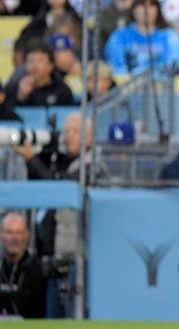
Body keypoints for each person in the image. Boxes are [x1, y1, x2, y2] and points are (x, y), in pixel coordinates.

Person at [14, 112, 104, 257]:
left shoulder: (92, 166)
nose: (69, 135)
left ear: (89, 137)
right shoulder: (60, 160)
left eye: (76, 131)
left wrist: (32, 159)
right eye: (66, 131)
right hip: (47, 243)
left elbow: (61, 188)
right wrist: (39, 154)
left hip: (73, 248)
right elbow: (40, 180)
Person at [104, 0, 179, 76]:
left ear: (158, 11)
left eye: (151, 5)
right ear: (133, 10)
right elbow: (116, 66)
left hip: (163, 86)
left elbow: (175, 64)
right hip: (128, 86)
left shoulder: (170, 37)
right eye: (142, 5)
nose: (147, 10)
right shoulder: (119, 37)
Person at [0, 212, 47, 318]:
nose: (14, 238)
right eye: (9, 232)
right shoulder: (1, 267)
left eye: (18, 232)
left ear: (26, 235)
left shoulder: (38, 269)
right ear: (1, 234)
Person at [4, 43, 75, 107]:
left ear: (51, 65)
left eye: (40, 61)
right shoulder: (13, 88)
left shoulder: (62, 90)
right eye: (31, 61)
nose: (35, 66)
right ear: (25, 64)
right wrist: (21, 97)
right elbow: (6, 115)